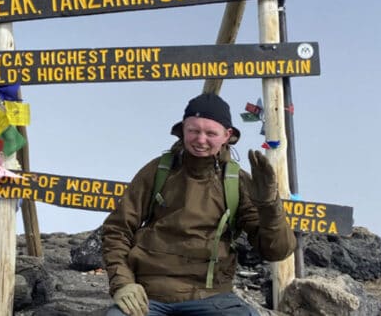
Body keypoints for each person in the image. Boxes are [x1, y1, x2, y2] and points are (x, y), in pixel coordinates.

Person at [101, 93, 297, 316]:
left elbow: (276, 251)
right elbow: (117, 230)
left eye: (210, 133)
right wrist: (123, 283)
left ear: (227, 135)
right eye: (193, 131)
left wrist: (269, 206)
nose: (200, 140)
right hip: (148, 295)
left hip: (212, 298)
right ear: (183, 129)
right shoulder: (158, 171)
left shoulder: (237, 182)